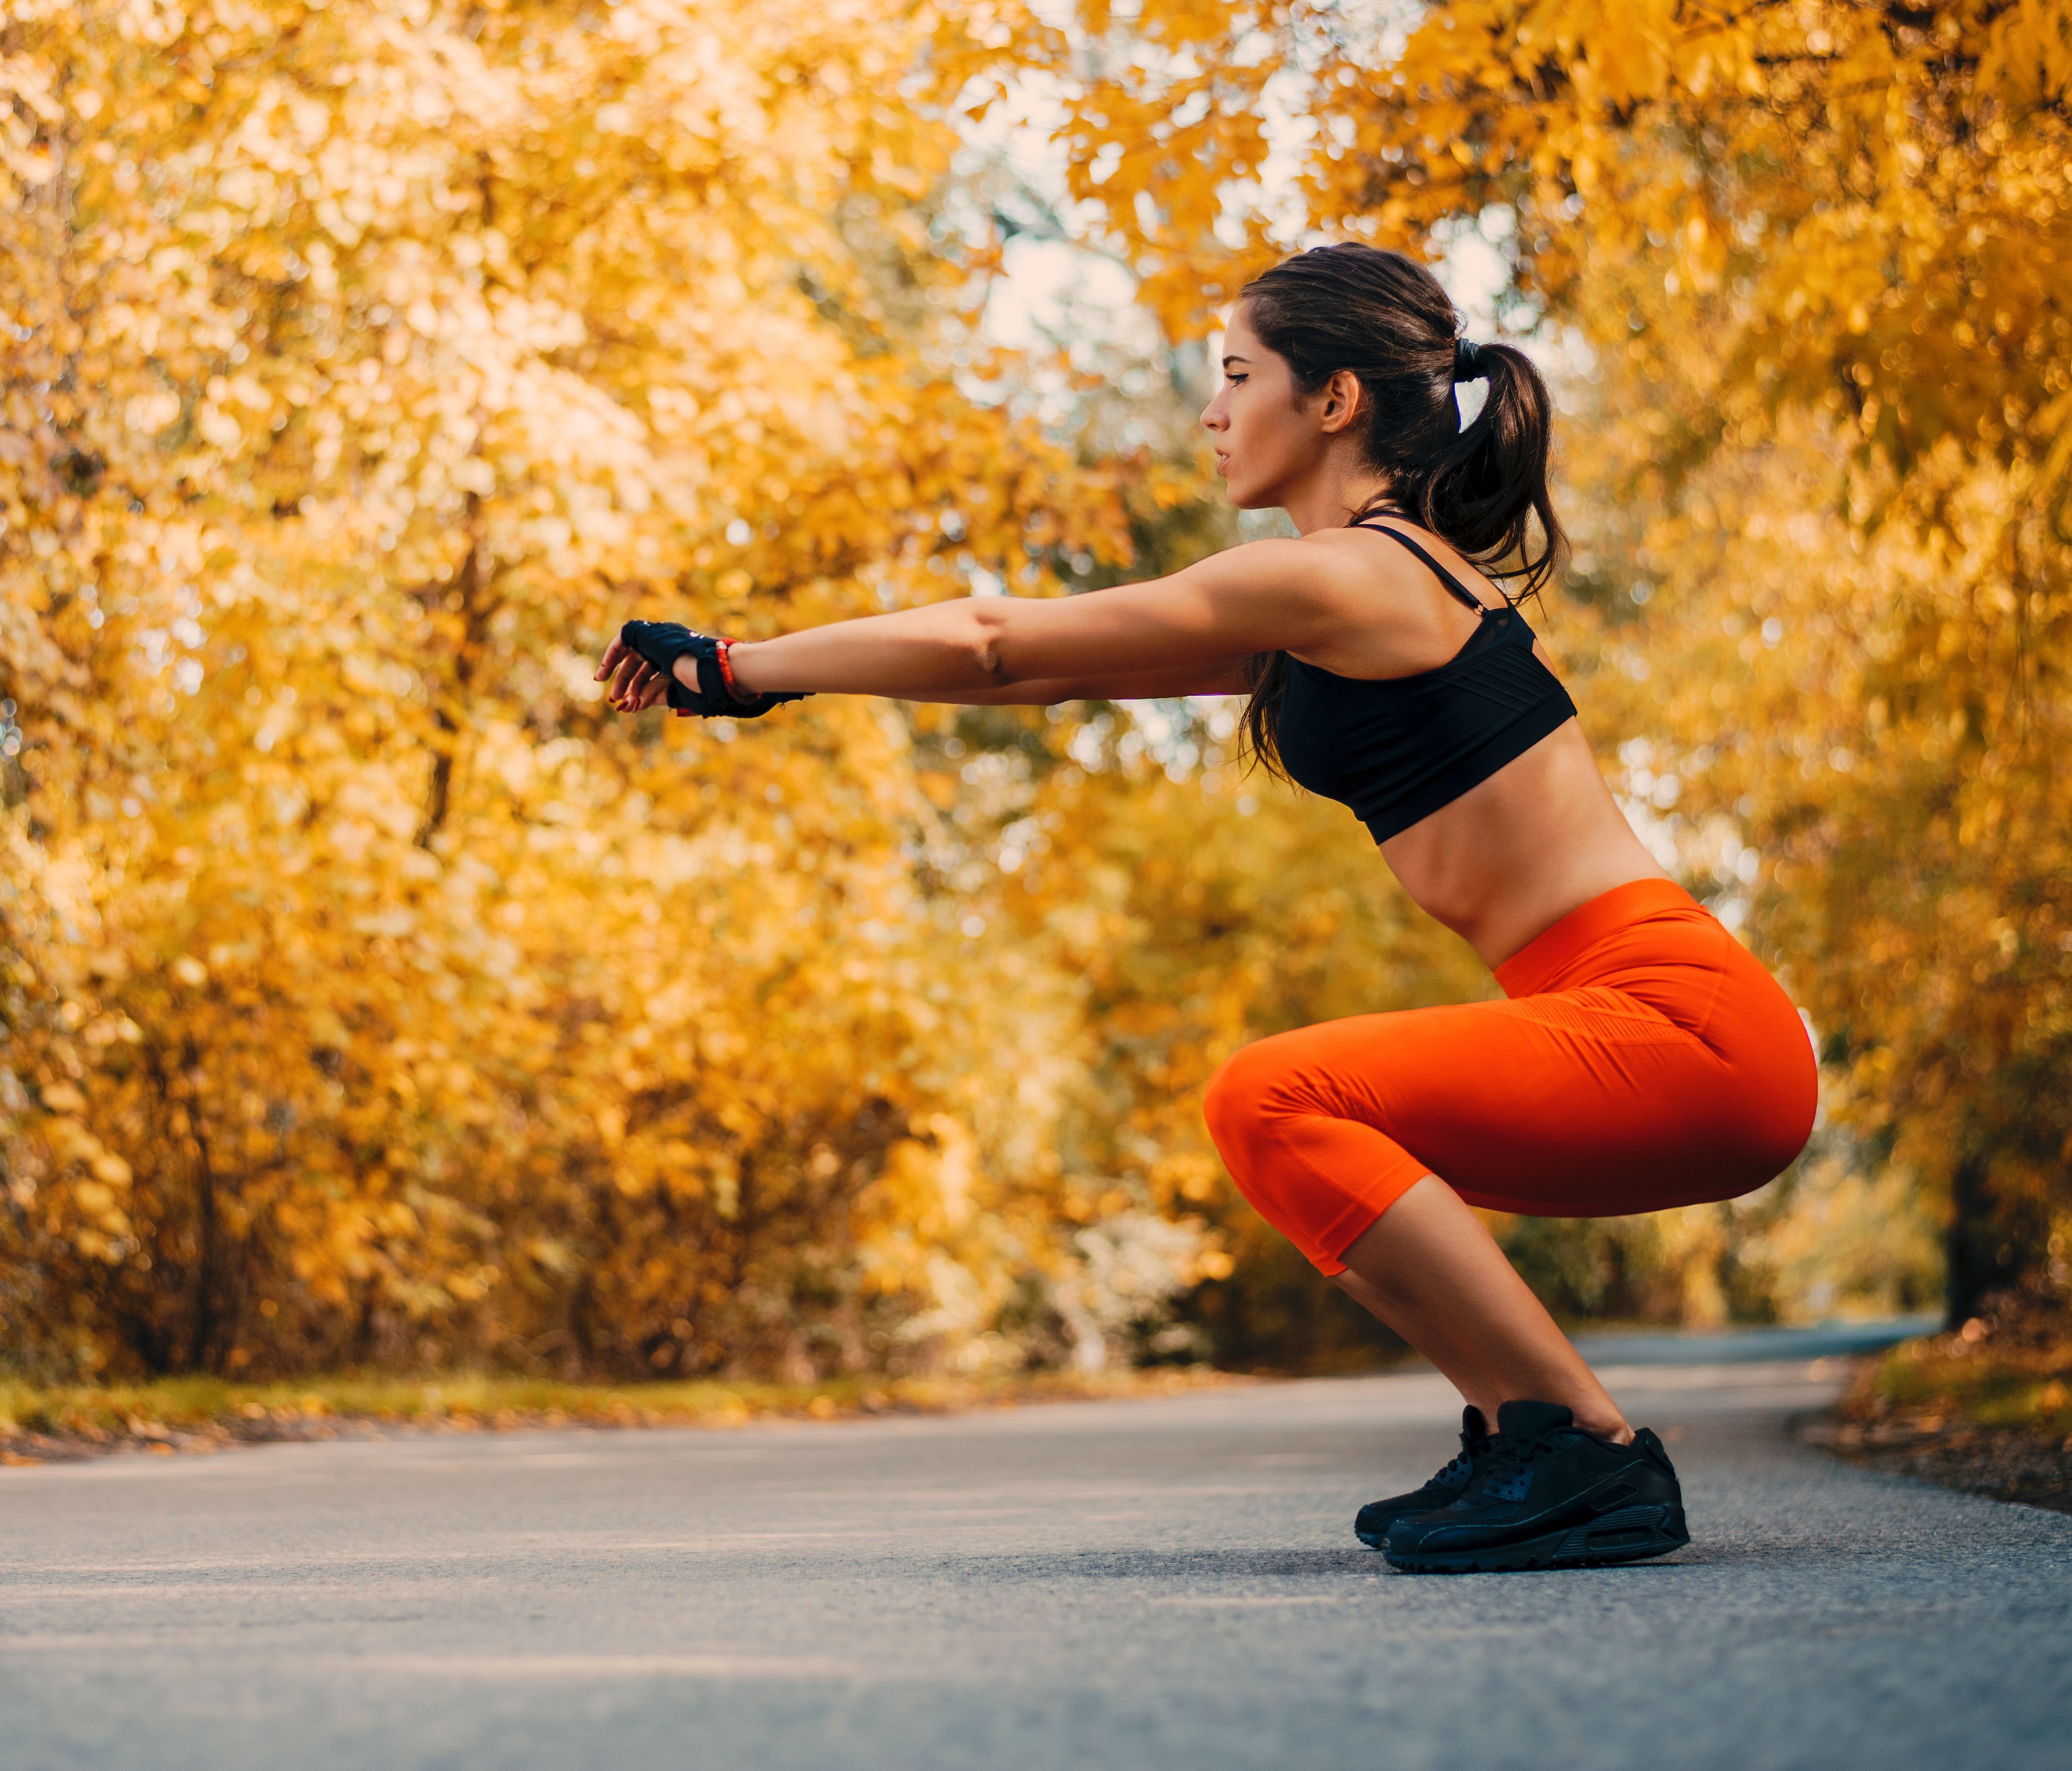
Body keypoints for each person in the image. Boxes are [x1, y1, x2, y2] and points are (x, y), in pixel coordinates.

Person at [596, 242, 1816, 1573]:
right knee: (1289, 1117)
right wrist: (770, 676)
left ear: (1335, 399)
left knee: (1274, 1097)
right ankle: (1532, 1436)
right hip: (1647, 1021)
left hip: (1677, 1025)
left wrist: (736, 665)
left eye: (1237, 376)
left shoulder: (1346, 576)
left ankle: (1580, 1445)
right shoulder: (1342, 594)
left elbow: (997, 636)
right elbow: (1033, 679)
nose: (1210, 412)